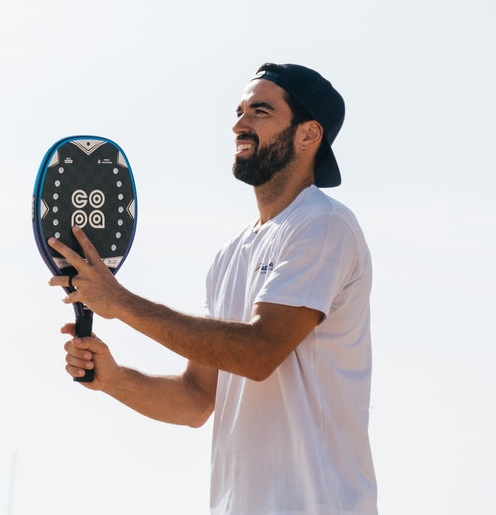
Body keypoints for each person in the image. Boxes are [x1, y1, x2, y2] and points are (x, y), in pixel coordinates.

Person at [49, 63, 377, 515]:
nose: (239, 124)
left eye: (260, 111)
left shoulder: (323, 224)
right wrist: (114, 378)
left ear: (309, 134)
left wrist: (120, 303)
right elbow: (197, 398)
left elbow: (259, 354)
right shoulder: (230, 255)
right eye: (239, 111)